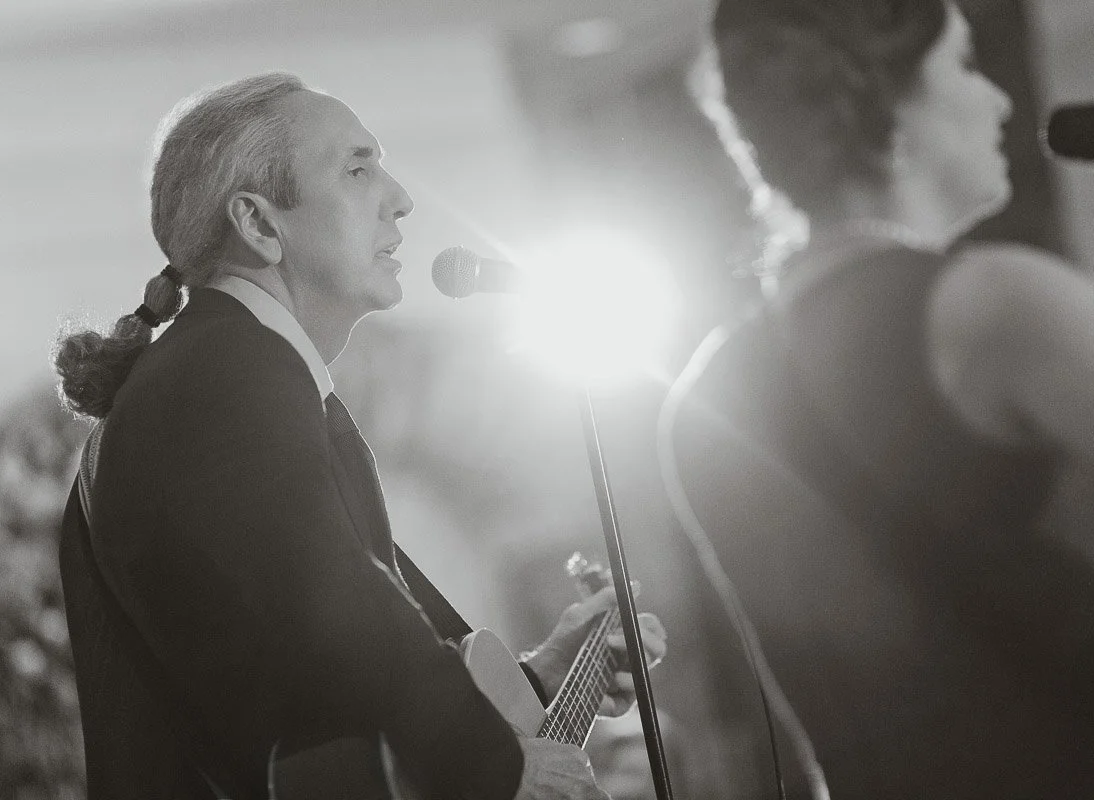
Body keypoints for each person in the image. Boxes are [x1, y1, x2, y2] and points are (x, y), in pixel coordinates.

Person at [54, 72, 665, 800]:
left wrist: (548, 675)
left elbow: (326, 701)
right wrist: (489, 764)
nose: (401, 199)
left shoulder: (218, 375)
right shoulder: (225, 372)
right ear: (258, 224)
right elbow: (335, 602)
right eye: (357, 168)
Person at [661, 1, 1094, 797]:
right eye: (964, 65)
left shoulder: (703, 399)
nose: (998, 100)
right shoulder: (990, 303)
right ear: (887, 107)